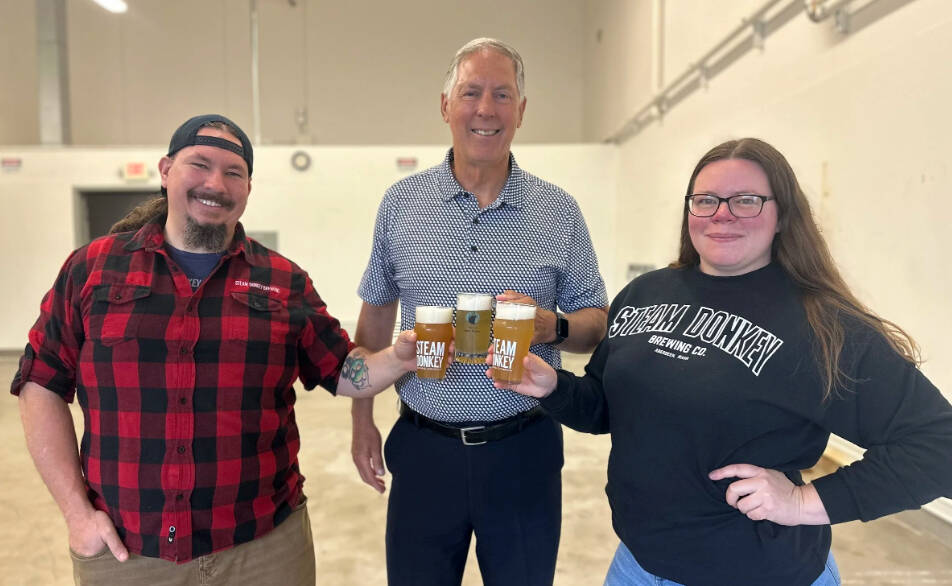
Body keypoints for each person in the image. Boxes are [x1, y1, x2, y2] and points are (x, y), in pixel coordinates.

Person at [494, 138, 952, 585]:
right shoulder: (646, 293)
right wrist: (553, 386)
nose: (722, 214)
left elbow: (939, 445)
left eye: (746, 200)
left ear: (782, 215)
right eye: (706, 200)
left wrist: (803, 503)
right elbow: (605, 409)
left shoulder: (822, 325)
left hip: (757, 571)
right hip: (637, 563)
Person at [12, 114, 419, 586]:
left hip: (265, 552)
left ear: (248, 187)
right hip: (129, 555)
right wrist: (77, 515)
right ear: (166, 171)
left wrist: (398, 358)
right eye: (199, 164)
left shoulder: (282, 281)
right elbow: (40, 383)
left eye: (233, 172)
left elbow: (344, 371)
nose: (215, 183)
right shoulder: (94, 269)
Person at [352, 38, 609, 585]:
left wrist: (551, 326)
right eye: (471, 93)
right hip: (424, 448)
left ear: (520, 111)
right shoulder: (401, 203)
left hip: (524, 447)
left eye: (501, 95)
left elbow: (595, 326)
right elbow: (374, 320)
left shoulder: (558, 210)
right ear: (445, 105)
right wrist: (361, 420)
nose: (485, 110)